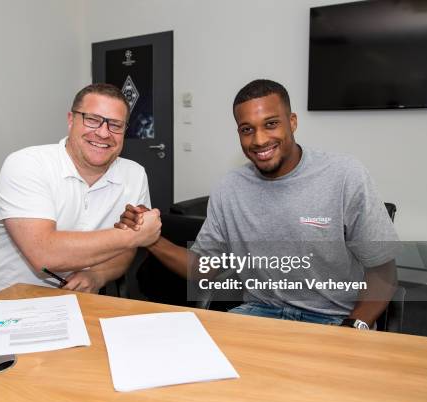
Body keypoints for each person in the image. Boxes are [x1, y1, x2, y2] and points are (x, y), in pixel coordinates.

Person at [117, 79, 399, 329]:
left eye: (271, 124)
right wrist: (150, 239)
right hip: (258, 314)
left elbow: (383, 271)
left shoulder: (344, 175)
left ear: (293, 122)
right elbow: (203, 268)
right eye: (247, 129)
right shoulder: (230, 188)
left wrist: (354, 326)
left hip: (333, 319)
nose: (259, 139)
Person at [0, 83, 161, 304]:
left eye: (115, 125)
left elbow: (125, 251)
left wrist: (97, 275)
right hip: (5, 304)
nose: (103, 132)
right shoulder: (27, 164)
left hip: (81, 306)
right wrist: (134, 236)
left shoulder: (135, 174)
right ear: (71, 120)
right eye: (92, 119)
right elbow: (44, 254)